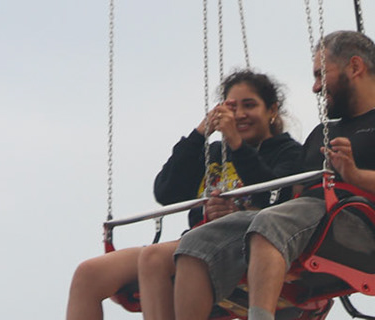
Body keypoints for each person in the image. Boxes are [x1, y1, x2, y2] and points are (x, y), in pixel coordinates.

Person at [64, 70, 304, 320]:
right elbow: (166, 191)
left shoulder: (288, 152)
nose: (240, 115)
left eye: (250, 105)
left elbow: (275, 195)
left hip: (242, 247)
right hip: (192, 243)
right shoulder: (215, 152)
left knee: (154, 258)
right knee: (88, 273)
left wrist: (236, 146)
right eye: (233, 107)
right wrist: (200, 134)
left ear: (271, 109)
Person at [173, 30, 375, 320]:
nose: (316, 87)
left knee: (271, 222)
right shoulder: (323, 132)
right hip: (308, 218)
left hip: (357, 226)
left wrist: (353, 175)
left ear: (355, 67)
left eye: (321, 75)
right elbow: (287, 197)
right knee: (195, 243)